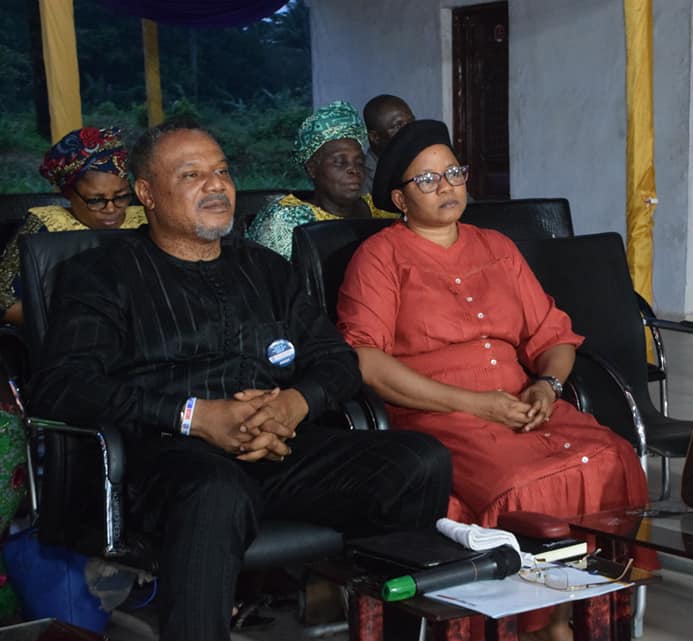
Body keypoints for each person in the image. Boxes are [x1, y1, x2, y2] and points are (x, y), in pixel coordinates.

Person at [29, 119, 452, 641]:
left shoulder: (266, 269)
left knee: (418, 462)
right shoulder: (102, 274)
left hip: (277, 449)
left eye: (223, 172)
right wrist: (196, 416)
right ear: (147, 194)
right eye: (192, 175)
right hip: (165, 459)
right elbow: (64, 385)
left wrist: (294, 404)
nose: (216, 185)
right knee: (216, 491)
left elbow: (338, 360)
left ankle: (388, 630)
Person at [337, 120, 654, 641]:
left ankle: (576, 615)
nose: (446, 186)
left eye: (454, 173)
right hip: (437, 413)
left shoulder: (497, 247)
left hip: (521, 402)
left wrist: (548, 386)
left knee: (610, 455)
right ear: (398, 198)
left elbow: (553, 334)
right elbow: (366, 362)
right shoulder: (380, 257)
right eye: (427, 179)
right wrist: (476, 404)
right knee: (522, 483)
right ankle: (524, 625)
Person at [0, 127, 146, 325]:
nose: (111, 209)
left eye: (121, 196)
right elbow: (3, 300)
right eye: (96, 200)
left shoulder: (144, 219)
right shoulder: (47, 225)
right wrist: (70, 323)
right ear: (68, 194)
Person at [246, 101, 395, 259]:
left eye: (359, 162)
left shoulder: (380, 209)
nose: (354, 169)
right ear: (312, 169)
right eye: (339, 162)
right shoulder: (286, 221)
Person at [362, 94, 415, 194]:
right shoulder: (361, 179)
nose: (410, 131)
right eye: (398, 125)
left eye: (412, 122)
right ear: (375, 137)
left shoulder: (418, 162)